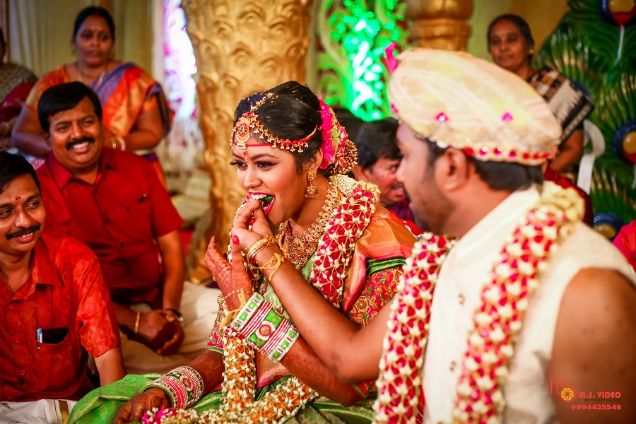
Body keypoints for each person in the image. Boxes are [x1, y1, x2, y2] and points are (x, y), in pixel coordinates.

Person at [196, 50, 634, 423]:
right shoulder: (443, 259)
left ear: (452, 167)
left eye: (404, 156)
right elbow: (348, 357)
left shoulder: (585, 290)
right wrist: (263, 261)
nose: (396, 174)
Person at [68, 81, 416, 423]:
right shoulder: (266, 224)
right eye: (240, 164)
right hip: (253, 396)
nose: (248, 181)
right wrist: (168, 390)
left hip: (339, 408)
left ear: (311, 162)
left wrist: (252, 305)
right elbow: (224, 348)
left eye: (264, 164)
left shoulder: (379, 244)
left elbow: (351, 386)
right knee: (103, 408)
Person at [34, 81, 219, 375]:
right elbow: (66, 287)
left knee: (237, 315)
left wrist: (171, 314)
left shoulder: (135, 167)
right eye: (63, 127)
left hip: (161, 296)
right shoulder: (38, 195)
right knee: (143, 371)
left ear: (101, 124)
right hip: (100, 314)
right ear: (47, 138)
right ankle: (203, 380)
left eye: (86, 122)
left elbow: (171, 245)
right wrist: (136, 321)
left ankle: (213, 370)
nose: (78, 134)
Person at [0, 151, 125, 422]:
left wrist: (113, 416)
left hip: (68, 409)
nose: (24, 222)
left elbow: (106, 355)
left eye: (33, 204)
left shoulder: (75, 261)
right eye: (5, 212)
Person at [11, 5, 170, 181]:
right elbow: (21, 133)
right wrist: (65, 153)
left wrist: (114, 144)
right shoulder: (52, 81)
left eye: (103, 37)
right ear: (74, 40)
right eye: (87, 36)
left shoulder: (135, 79)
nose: (95, 43)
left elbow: (153, 133)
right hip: (64, 171)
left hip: (121, 166)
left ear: (112, 43)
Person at [487, 13, 594, 177]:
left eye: (511, 39)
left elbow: (574, 149)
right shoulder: (487, 90)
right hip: (497, 179)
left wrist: (536, 179)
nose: (503, 47)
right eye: (496, 42)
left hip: (545, 181)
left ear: (529, 46)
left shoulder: (554, 86)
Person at [354, 117, 421, 232]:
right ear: (363, 172)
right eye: (393, 168)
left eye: (407, 163)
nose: (402, 176)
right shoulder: (355, 222)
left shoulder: (423, 206)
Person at [0, 28, 36, 150]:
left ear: (4, 48)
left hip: (13, 146)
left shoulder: (23, 78)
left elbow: (36, 117)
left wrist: (8, 129)